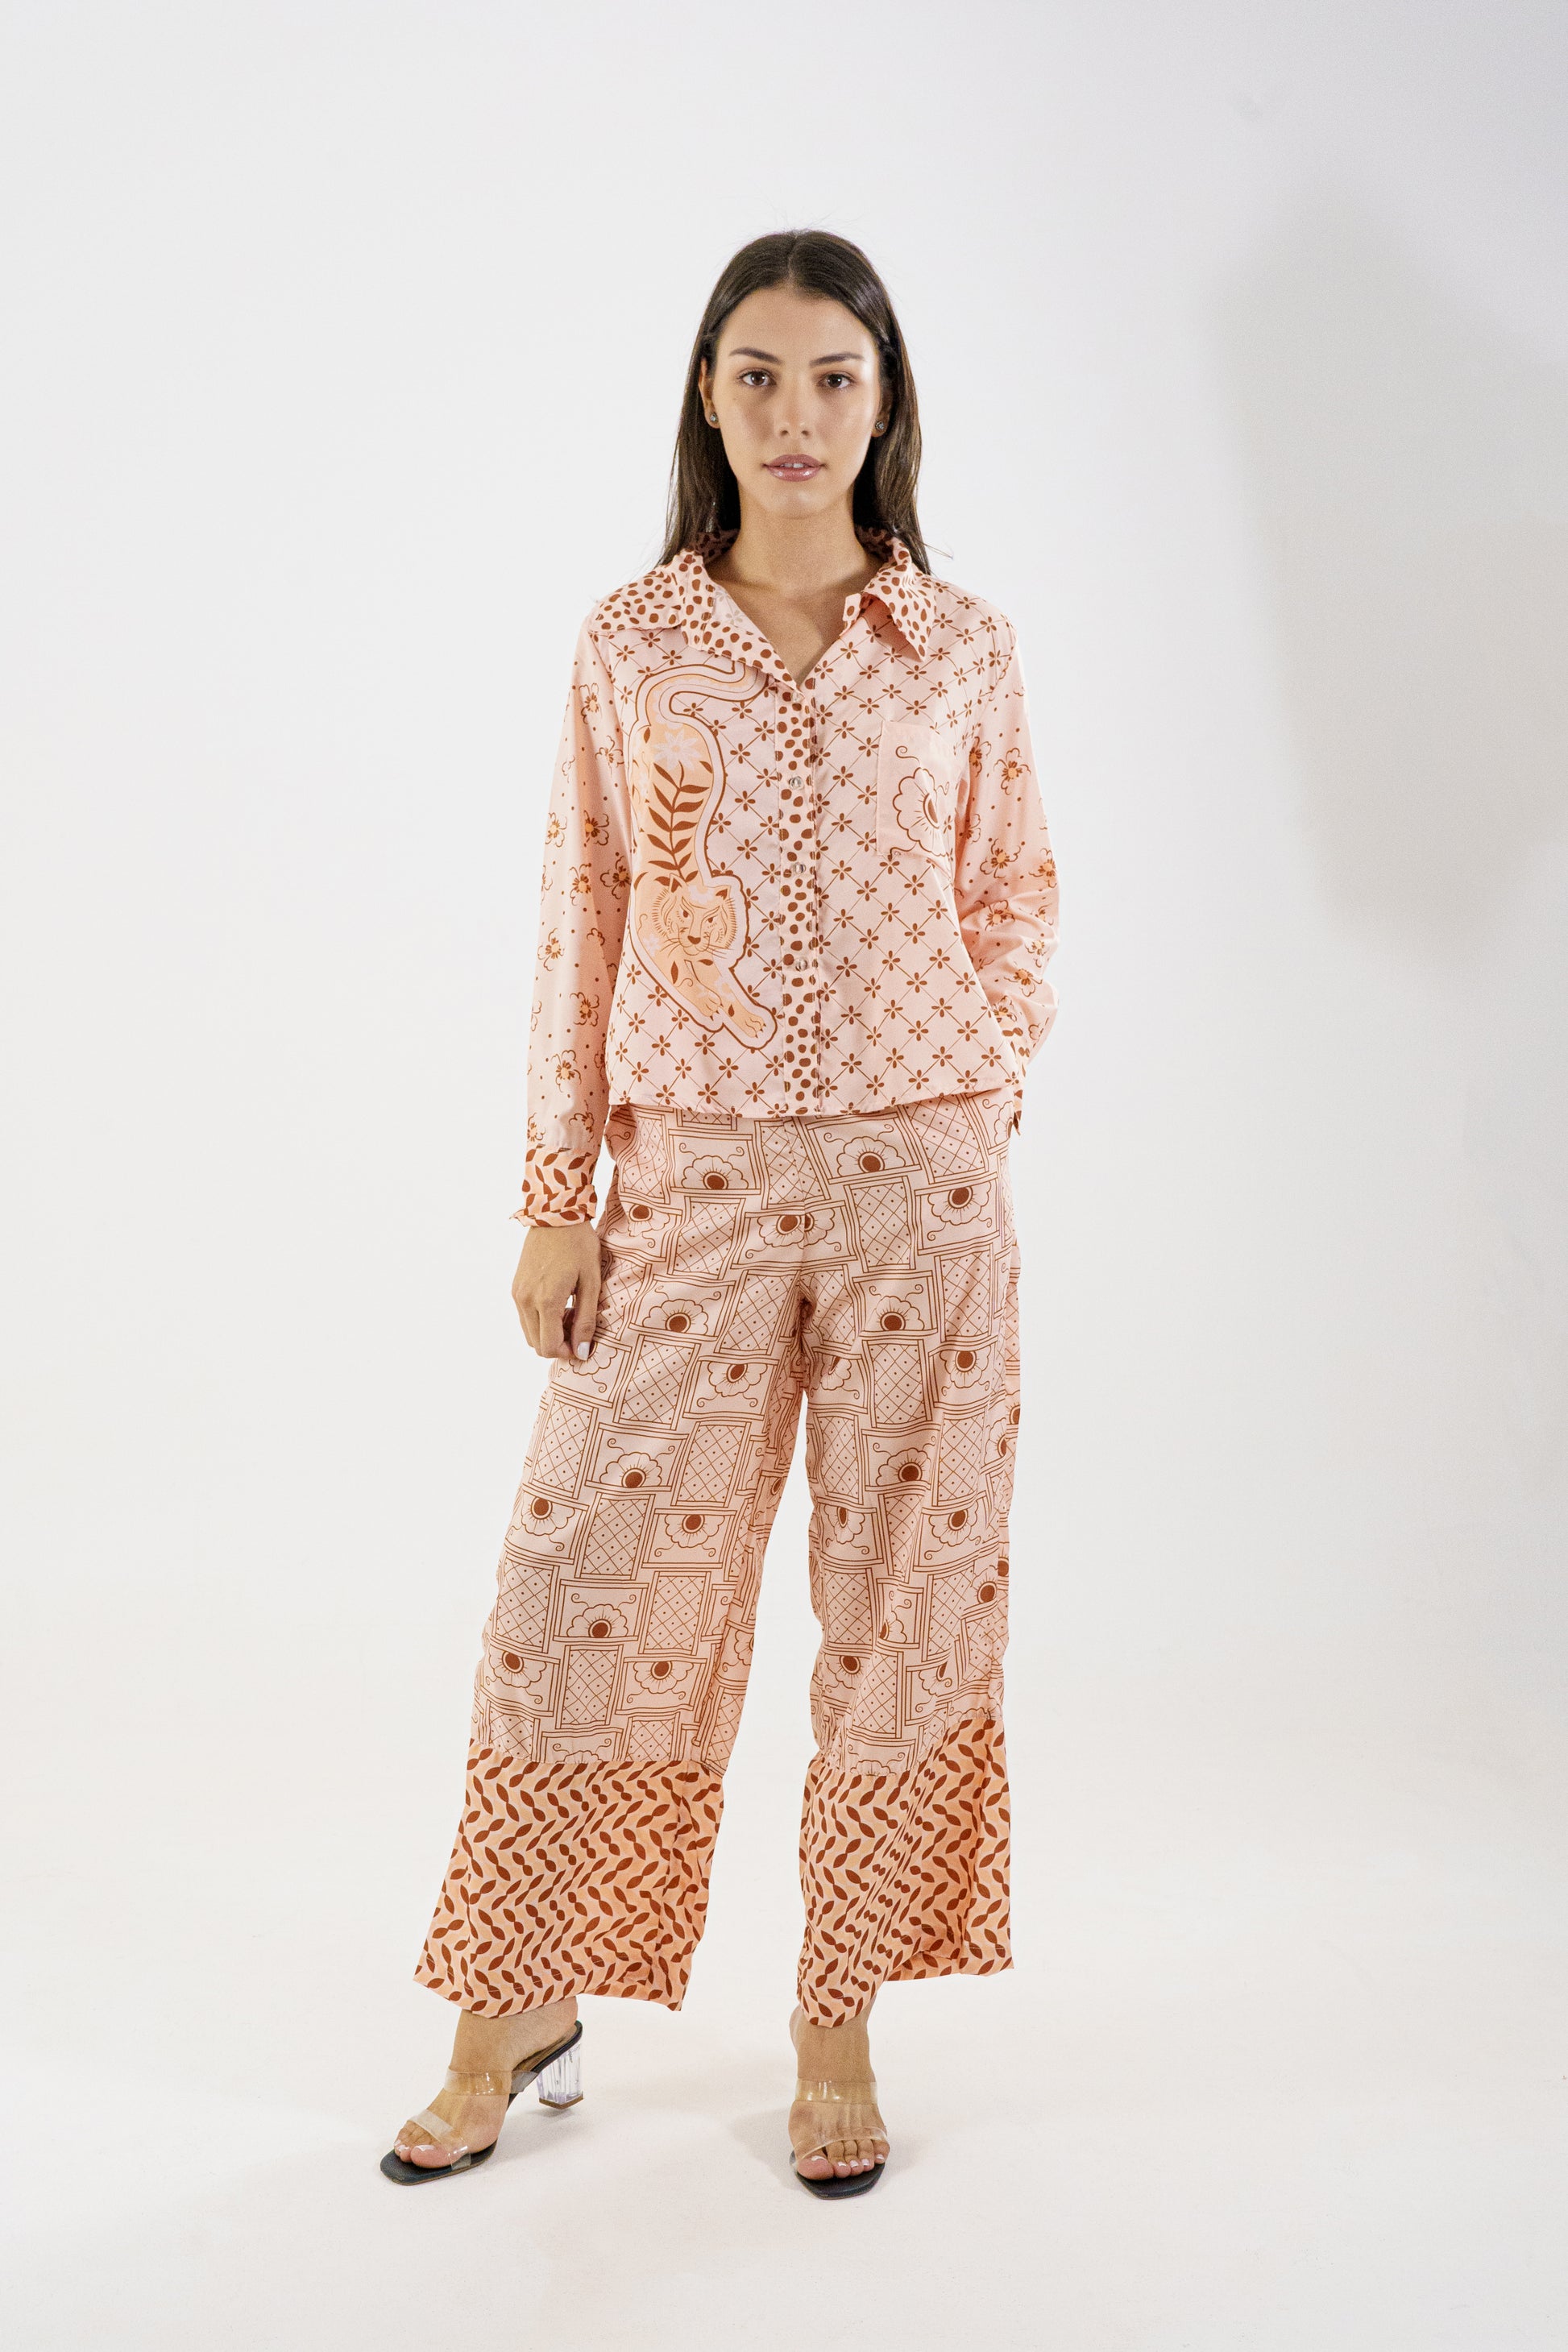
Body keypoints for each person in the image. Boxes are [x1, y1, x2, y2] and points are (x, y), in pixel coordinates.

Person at [384, 227, 1060, 2200]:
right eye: (757, 374)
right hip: (686, 1174)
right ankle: (515, 1999)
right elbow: (582, 911)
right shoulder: (633, 641)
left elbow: (1018, 886)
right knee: (577, 1570)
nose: (794, 413)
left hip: (922, 1182)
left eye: (833, 376)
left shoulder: (960, 644)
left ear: (884, 399)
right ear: (707, 392)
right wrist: (555, 1192)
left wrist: (981, 1079)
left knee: (897, 1592)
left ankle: (837, 2015)